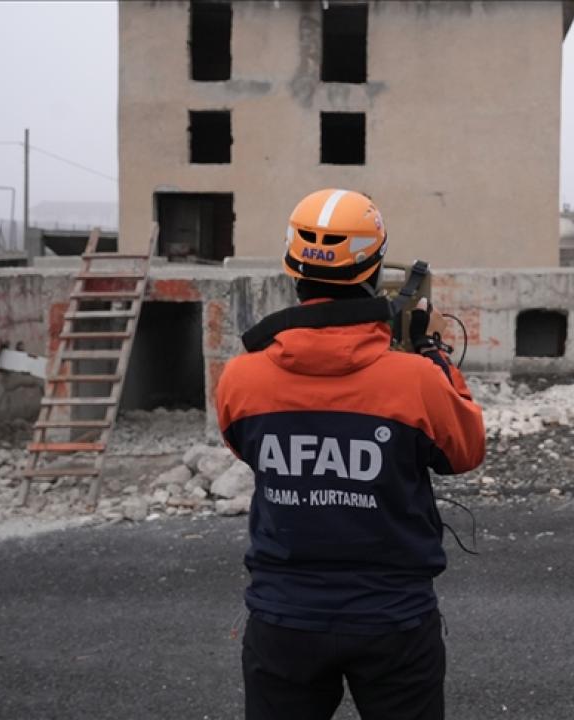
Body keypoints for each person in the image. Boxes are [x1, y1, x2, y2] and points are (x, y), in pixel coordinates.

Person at [215, 188, 486, 720]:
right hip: (394, 622)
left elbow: (246, 449)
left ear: (293, 268)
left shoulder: (240, 377)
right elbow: (464, 452)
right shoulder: (417, 380)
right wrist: (432, 355)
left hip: (282, 620)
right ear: (374, 267)